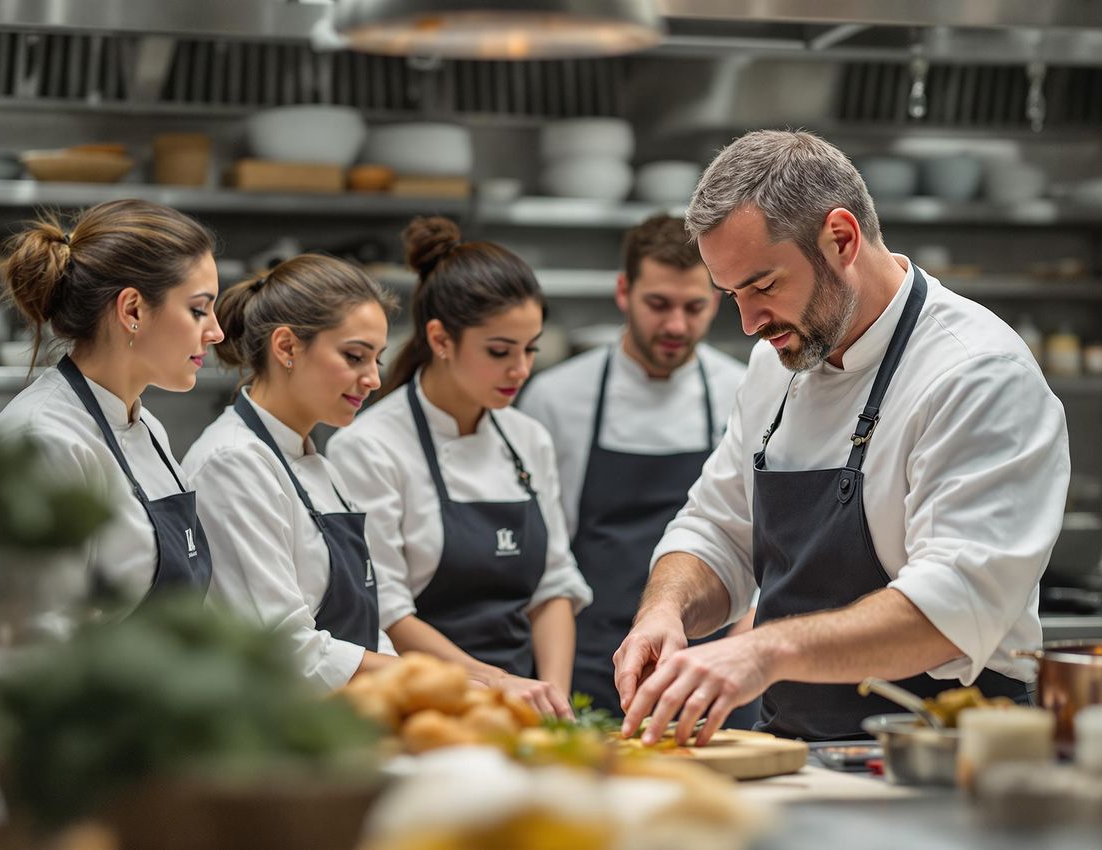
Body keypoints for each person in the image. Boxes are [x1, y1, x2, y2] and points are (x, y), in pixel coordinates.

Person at [614, 130, 1070, 746]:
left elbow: (952, 605)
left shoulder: (976, 374)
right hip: (794, 749)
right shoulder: (776, 363)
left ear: (841, 239)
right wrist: (663, 611)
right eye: (732, 296)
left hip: (940, 757)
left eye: (763, 286)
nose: (748, 323)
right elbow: (717, 528)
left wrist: (762, 652)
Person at [329, 216, 592, 718]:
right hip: (419, 706)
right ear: (441, 339)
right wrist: (495, 685)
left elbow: (554, 585)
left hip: (516, 707)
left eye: (530, 349)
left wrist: (551, 699)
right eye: (499, 351)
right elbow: (388, 610)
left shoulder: (527, 438)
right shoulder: (369, 448)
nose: (521, 369)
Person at [520, 214, 746, 718]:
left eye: (694, 307)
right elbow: (543, 555)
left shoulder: (746, 391)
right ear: (624, 292)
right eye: (658, 305)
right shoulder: (557, 399)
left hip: (708, 662)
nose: (675, 326)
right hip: (589, 659)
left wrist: (744, 646)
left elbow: (761, 534)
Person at [0, 199, 224, 610]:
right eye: (199, 310)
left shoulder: (146, 426)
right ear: (132, 310)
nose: (216, 333)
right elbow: (38, 637)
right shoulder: (42, 440)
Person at [181, 255, 399, 689]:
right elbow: (283, 648)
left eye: (377, 359)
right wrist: (423, 676)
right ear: (286, 347)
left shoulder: (318, 465)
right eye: (355, 356)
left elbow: (366, 627)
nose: (373, 378)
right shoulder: (233, 464)